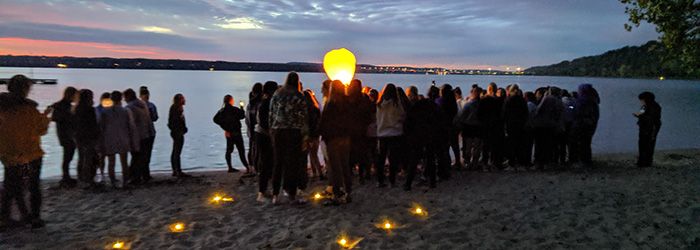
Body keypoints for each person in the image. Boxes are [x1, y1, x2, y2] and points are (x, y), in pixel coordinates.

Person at [0, 75, 51, 229]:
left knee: (11, 186)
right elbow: (39, 129)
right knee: (33, 186)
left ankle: (7, 217)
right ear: (25, 89)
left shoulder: (2, 106)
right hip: (30, 153)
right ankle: (33, 217)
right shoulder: (29, 108)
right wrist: (45, 118)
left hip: (9, 153)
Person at [269, 72, 309, 205]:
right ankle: (291, 194)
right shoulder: (298, 96)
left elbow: (271, 113)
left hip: (278, 131)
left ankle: (275, 195)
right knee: (292, 164)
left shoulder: (277, 94)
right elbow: (303, 117)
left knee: (277, 163)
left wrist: (272, 129)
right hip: (293, 132)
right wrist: (305, 136)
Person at [319, 80, 354, 205]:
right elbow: (351, 120)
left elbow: (324, 121)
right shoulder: (348, 102)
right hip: (345, 138)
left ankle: (336, 194)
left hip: (333, 139)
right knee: (345, 165)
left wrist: (323, 136)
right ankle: (348, 192)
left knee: (335, 167)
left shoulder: (330, 103)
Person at [99, 91, 137, 188]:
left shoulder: (105, 111)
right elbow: (131, 126)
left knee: (111, 161)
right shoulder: (125, 111)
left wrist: (101, 139)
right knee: (124, 162)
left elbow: (101, 126)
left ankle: (112, 181)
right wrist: (133, 139)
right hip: (123, 137)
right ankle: (125, 181)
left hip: (109, 138)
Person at [375, 83, 406, 188]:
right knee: (393, 159)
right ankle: (392, 181)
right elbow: (402, 116)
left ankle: (380, 180)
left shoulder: (379, 105)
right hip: (395, 133)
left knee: (381, 158)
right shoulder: (397, 105)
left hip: (382, 133)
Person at [347, 79, 373, 184]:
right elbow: (369, 112)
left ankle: (350, 173)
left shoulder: (348, 99)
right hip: (362, 130)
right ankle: (362, 175)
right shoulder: (364, 98)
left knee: (350, 153)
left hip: (351, 130)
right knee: (363, 154)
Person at [255, 81, 278, 202]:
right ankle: (262, 191)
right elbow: (263, 121)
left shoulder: (268, 102)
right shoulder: (266, 103)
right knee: (266, 163)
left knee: (270, 163)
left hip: (266, 134)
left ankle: (265, 189)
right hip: (264, 135)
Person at [52, 86, 79, 187]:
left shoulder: (62, 105)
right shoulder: (63, 106)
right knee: (68, 155)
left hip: (65, 133)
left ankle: (66, 176)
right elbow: (57, 118)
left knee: (68, 155)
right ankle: (65, 177)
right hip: (66, 134)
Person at [124, 88, 151, 184]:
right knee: (143, 156)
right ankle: (143, 175)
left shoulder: (129, 108)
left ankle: (135, 177)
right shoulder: (143, 104)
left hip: (137, 135)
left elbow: (130, 124)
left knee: (136, 156)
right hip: (147, 133)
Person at [216, 95, 249, 173]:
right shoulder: (234, 109)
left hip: (229, 133)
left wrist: (224, 127)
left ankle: (230, 167)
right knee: (241, 150)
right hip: (236, 132)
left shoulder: (222, 111)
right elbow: (242, 116)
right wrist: (242, 108)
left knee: (229, 150)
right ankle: (247, 167)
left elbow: (216, 119)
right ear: (231, 100)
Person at [74, 89, 99, 187]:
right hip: (89, 136)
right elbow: (93, 124)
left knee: (81, 157)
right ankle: (88, 178)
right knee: (89, 157)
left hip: (79, 136)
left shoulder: (76, 109)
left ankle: (81, 177)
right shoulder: (89, 109)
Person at [570, 84, 600, 167]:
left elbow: (577, 112)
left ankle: (580, 161)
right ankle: (587, 160)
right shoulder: (593, 100)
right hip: (591, 125)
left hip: (581, 124)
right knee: (586, 143)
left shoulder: (582, 100)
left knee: (579, 143)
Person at [502, 85, 529, 171]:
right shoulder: (522, 100)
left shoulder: (508, 100)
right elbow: (526, 113)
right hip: (520, 125)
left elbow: (504, 113)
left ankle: (512, 163)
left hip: (511, 124)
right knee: (519, 143)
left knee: (511, 143)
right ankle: (520, 162)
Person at [457, 87, 483, 170]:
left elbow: (463, 116)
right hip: (478, 127)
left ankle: (467, 162)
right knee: (477, 146)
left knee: (468, 145)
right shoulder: (482, 104)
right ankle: (475, 162)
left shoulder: (468, 104)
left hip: (468, 127)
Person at [634, 91, 661, 168]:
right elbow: (642, 114)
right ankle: (642, 161)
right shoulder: (645, 106)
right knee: (642, 144)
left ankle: (646, 161)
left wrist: (641, 117)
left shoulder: (654, 107)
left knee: (648, 144)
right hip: (644, 127)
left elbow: (651, 118)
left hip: (651, 127)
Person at [303, 89, 324, 180]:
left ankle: (316, 173)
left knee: (308, 155)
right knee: (314, 155)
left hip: (308, 134)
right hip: (316, 134)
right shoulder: (316, 108)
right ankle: (317, 172)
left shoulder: (306, 110)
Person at [168, 93, 189, 177]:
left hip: (177, 131)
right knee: (177, 151)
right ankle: (177, 170)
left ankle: (175, 169)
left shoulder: (177, 108)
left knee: (176, 150)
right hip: (177, 132)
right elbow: (175, 121)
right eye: (183, 99)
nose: (185, 100)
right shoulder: (176, 109)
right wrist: (180, 129)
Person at [139, 86, 157, 182]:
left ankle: (146, 173)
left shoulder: (151, 106)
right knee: (141, 154)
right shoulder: (138, 106)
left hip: (149, 132)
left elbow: (155, 118)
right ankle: (141, 173)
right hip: (141, 133)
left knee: (147, 153)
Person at [246, 83, 263, 172]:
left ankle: (253, 168)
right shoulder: (260, 103)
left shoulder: (250, 104)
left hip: (251, 131)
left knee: (252, 149)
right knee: (258, 151)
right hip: (259, 130)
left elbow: (247, 119)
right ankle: (257, 169)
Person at [95, 92, 112, 181]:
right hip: (104, 135)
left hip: (101, 135)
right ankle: (104, 173)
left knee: (102, 156)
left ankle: (102, 173)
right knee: (107, 156)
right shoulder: (108, 110)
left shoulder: (97, 109)